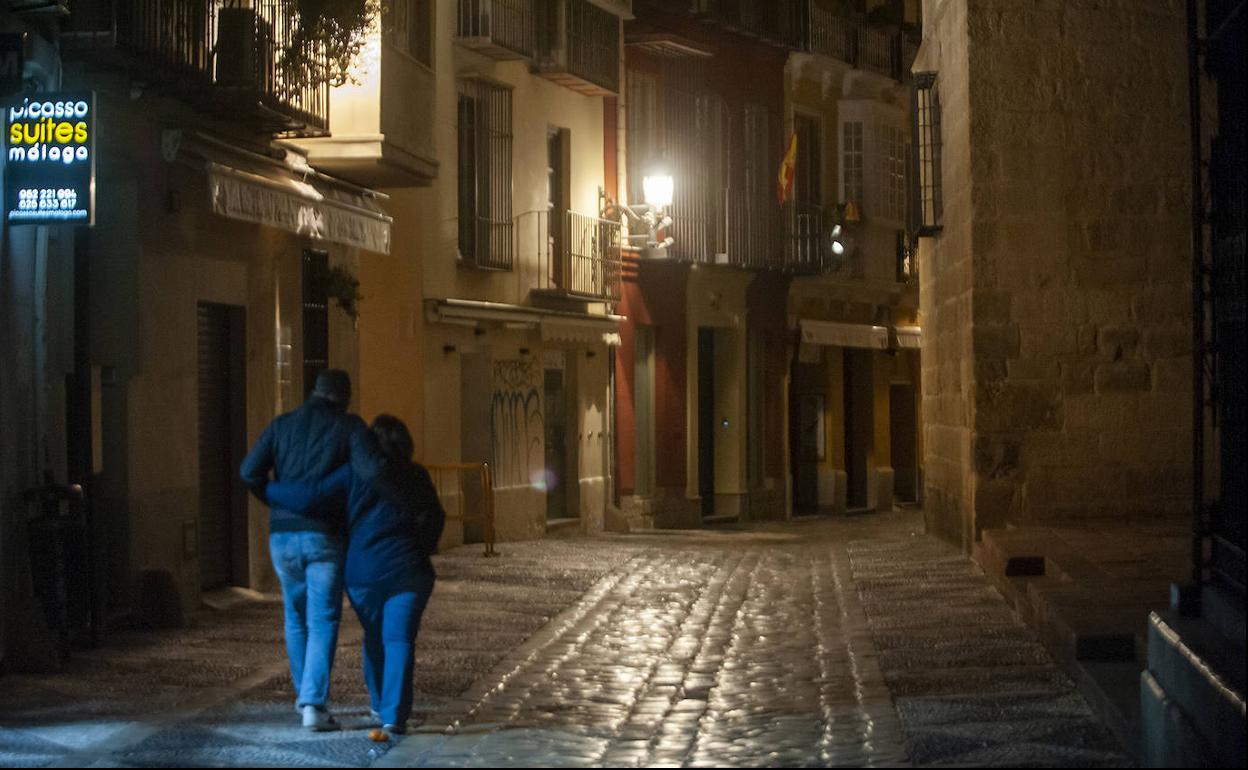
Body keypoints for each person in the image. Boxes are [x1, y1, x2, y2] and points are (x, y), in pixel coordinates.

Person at [264, 415, 444, 735]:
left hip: (363, 573)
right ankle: (394, 714)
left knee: (374, 636)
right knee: (399, 639)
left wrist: (273, 491)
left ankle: (378, 702)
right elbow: (435, 517)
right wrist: (421, 550)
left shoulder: (352, 475)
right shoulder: (416, 475)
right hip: (408, 571)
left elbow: (316, 496)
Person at [239, 369, 380, 731]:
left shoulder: (281, 424)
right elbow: (369, 473)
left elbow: (249, 471)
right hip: (323, 536)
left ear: (315, 391)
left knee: (294, 617)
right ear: (344, 396)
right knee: (323, 619)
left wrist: (276, 498)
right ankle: (313, 705)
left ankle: (305, 698)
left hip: (281, 536)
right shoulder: (350, 426)